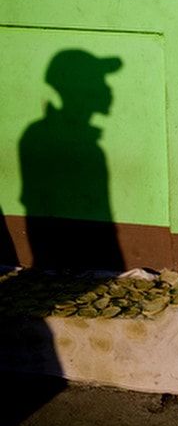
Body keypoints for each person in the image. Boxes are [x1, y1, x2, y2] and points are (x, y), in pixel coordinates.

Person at [19, 49, 125, 270]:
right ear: (74, 86)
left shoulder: (87, 142)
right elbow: (39, 202)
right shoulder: (42, 136)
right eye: (98, 80)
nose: (107, 87)